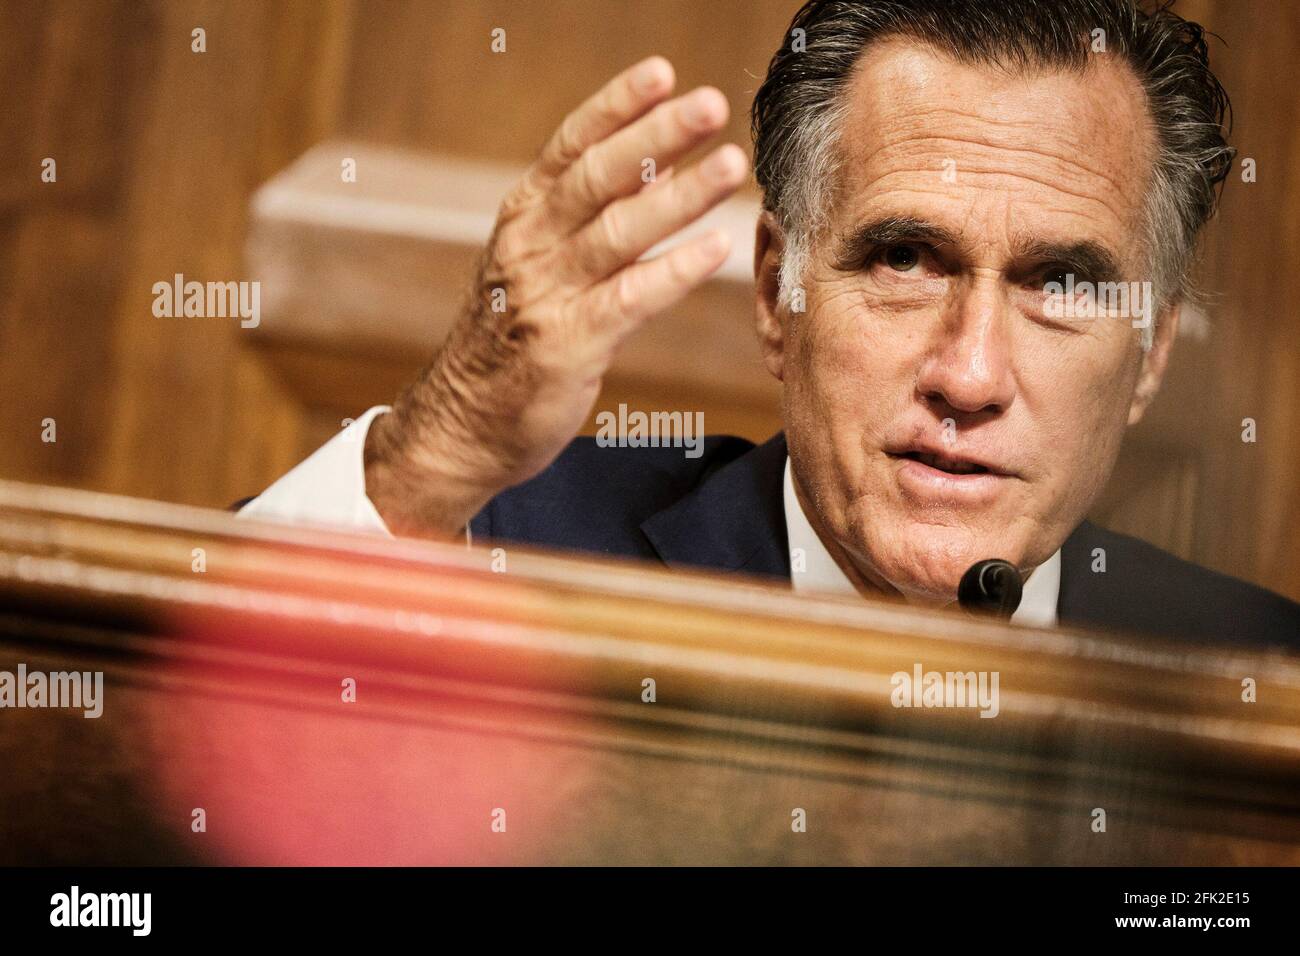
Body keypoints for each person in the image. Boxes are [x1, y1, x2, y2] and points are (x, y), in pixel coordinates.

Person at [240, 0, 1300, 646]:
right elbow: (131, 769)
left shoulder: (1250, 676)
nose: (969, 375)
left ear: (1150, 353)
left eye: (1061, 286)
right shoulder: (502, 556)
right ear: (775, 293)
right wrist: (434, 456)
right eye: (902, 258)